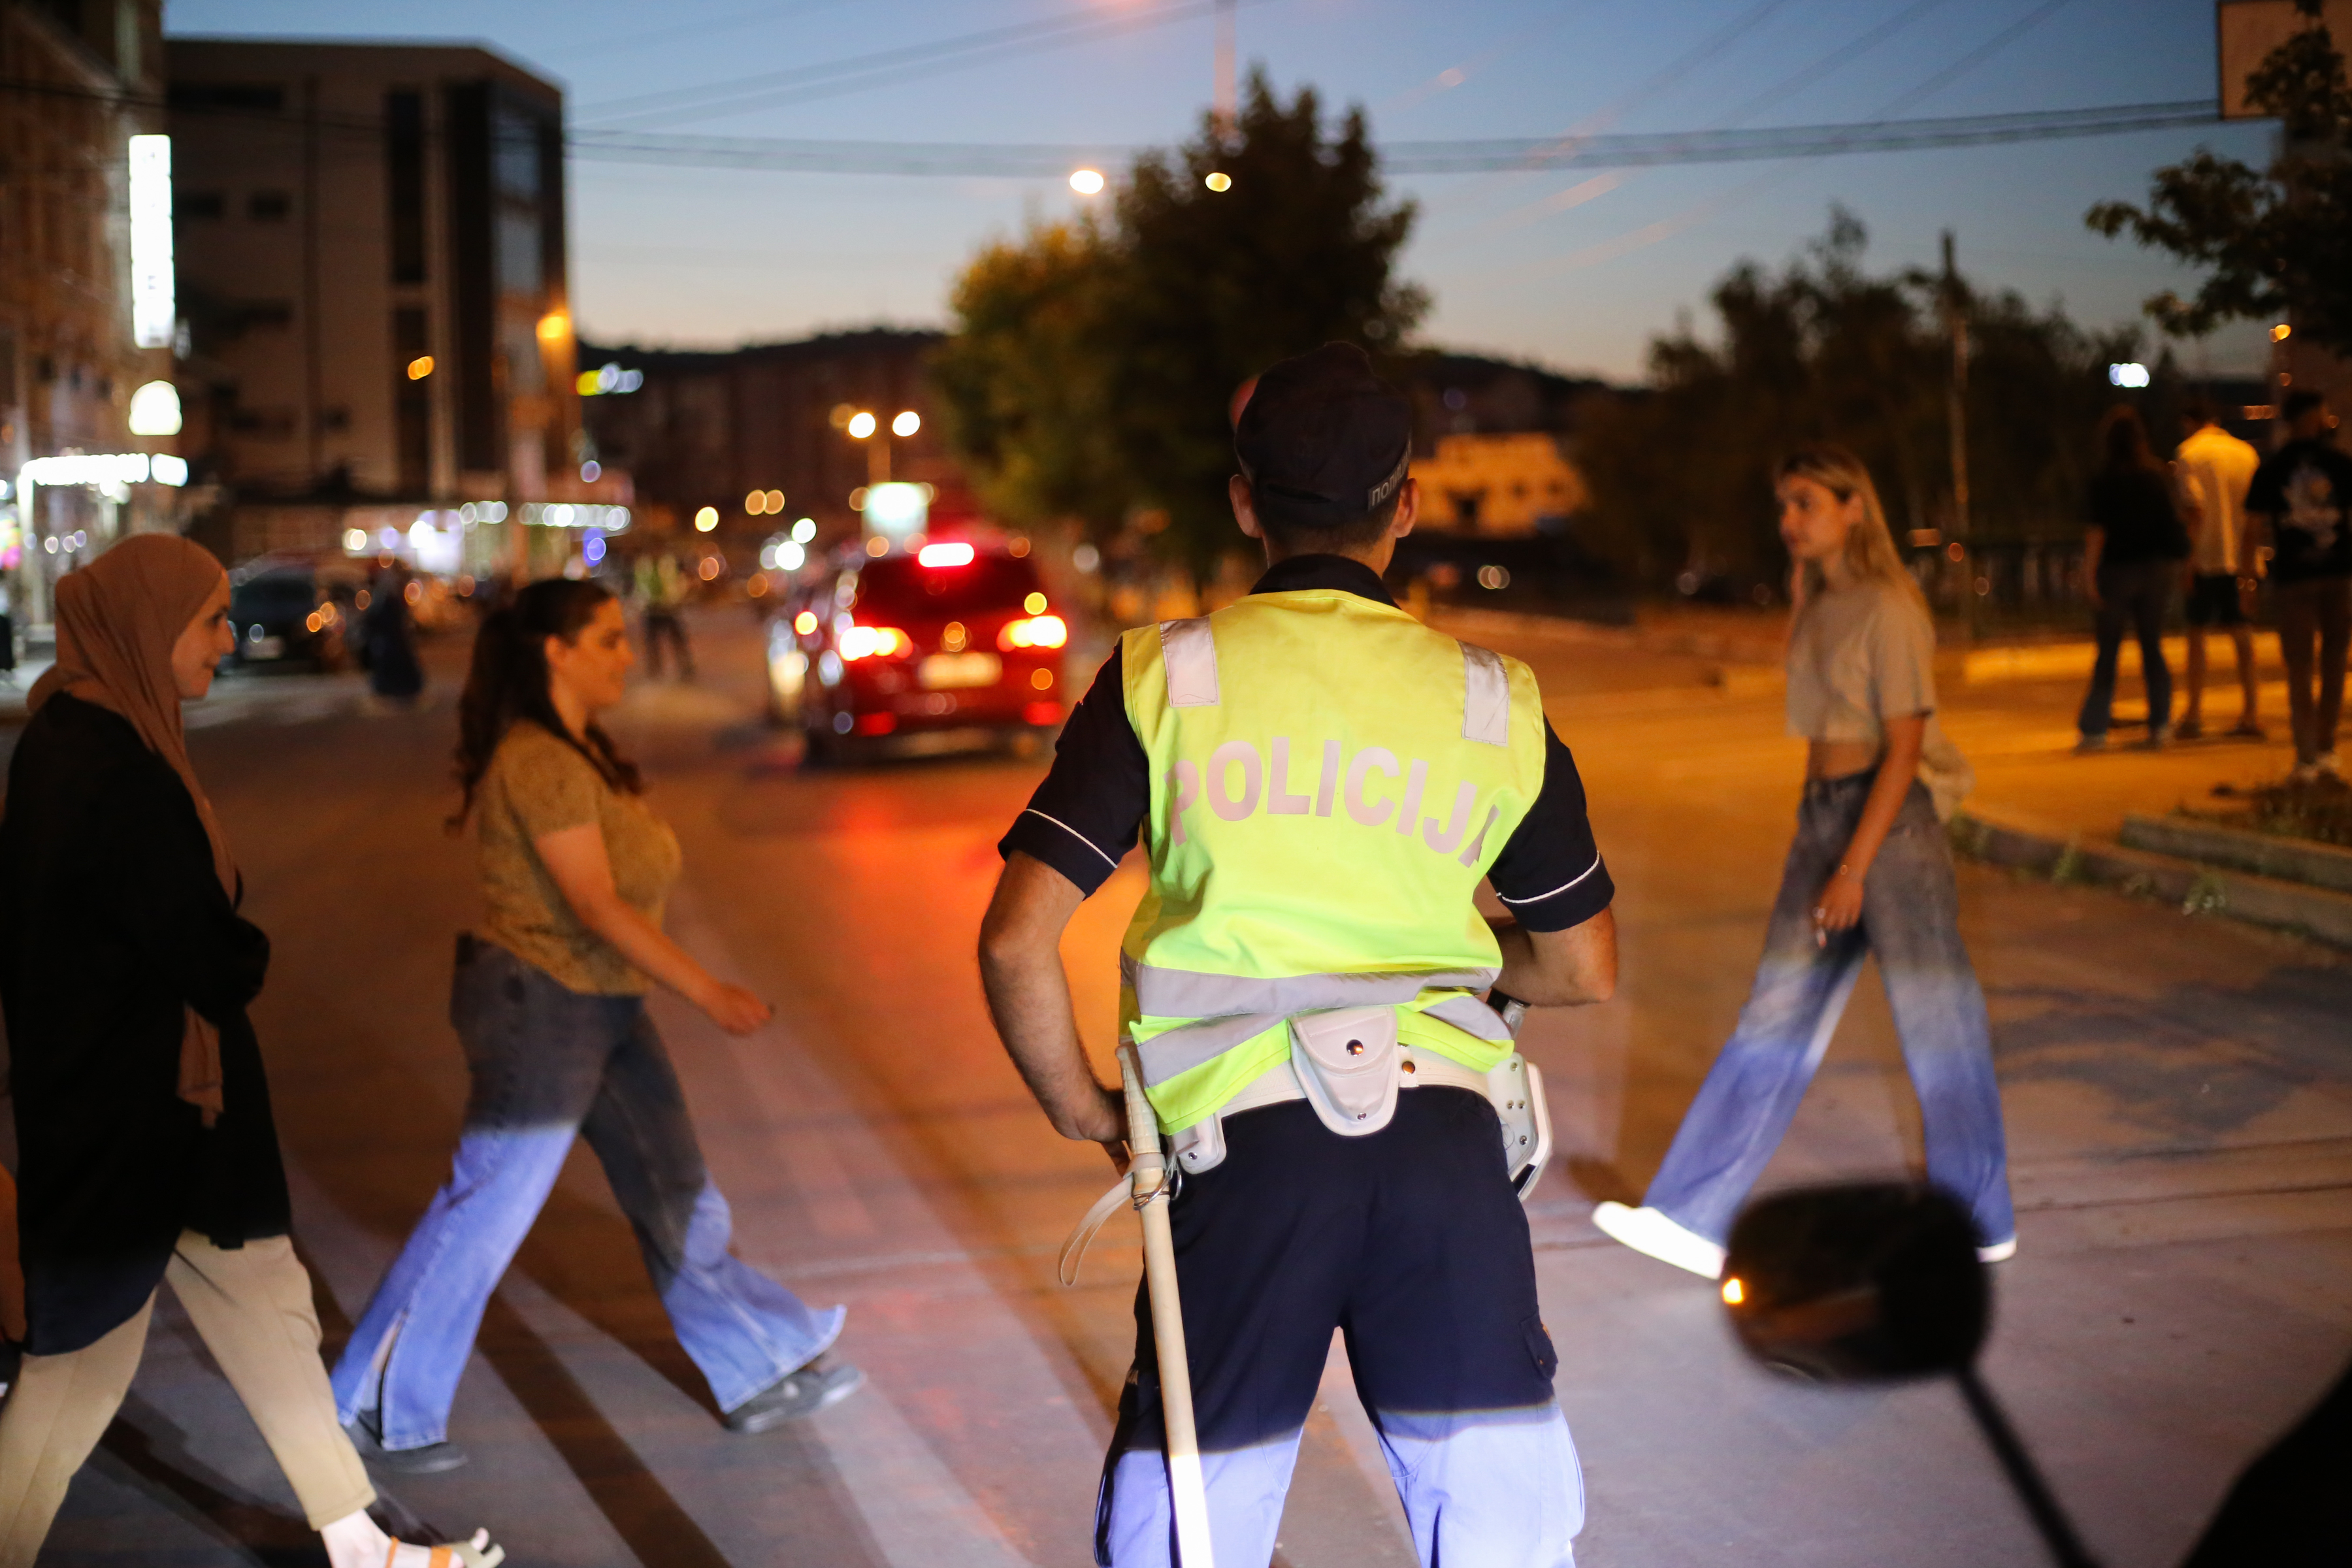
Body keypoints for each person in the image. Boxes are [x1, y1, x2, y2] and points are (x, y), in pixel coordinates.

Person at [978, 344, 1618, 1567]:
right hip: (1446, 1163)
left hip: (1241, 1163)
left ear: (1243, 502)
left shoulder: (1167, 679)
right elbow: (1582, 965)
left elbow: (1016, 941)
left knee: (1194, 1528)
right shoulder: (1493, 699)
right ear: (1410, 504)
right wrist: (1468, 965)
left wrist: (1087, 1109)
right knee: (1502, 1527)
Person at [0, 535, 500, 1568]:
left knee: (268, 1307)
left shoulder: (69, 737)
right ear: (149, 629)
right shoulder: (112, 766)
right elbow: (203, 949)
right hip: (138, 1114)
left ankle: (360, 1543)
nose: (228, 642)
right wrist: (243, 938)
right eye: (210, 621)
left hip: (160, 1104)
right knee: (81, 1365)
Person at [329, 577, 859, 1470]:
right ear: (556, 652)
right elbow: (593, 901)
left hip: (601, 1003)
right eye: (609, 639)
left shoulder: (579, 751)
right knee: (487, 1207)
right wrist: (709, 991)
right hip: (543, 1006)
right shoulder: (537, 759)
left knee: (675, 1189)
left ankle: (759, 1365)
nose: (627, 652)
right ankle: (372, 1402)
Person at [1593, 444, 2015, 1279]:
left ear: (1855, 508)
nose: (1789, 521)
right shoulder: (1823, 603)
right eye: (1784, 506)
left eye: (1806, 504)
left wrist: (1854, 866)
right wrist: (1827, 843)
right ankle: (1692, 1216)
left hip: (1887, 830)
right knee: (1773, 1017)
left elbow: (1904, 748)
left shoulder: (1890, 606)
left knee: (1939, 1024)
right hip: (1826, 820)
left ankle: (1980, 1216)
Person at [2246, 388, 2352, 783]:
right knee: (2334, 661)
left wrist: (2247, 578)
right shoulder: (2339, 464)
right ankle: (2324, 747)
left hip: (2294, 578)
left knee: (2300, 664)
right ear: (2313, 416)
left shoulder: (2273, 468)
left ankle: (2307, 752)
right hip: (2336, 573)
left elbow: (2252, 527)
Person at [2076, 405, 2192, 752]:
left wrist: (2089, 574)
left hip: (2117, 570)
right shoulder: (2156, 477)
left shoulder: (2103, 480)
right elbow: (2172, 522)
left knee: (2108, 650)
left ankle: (2095, 730)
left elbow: (2097, 533)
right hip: (2156, 569)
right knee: (2152, 646)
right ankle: (2160, 724)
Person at [2173, 399, 2264, 741]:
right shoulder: (2246, 454)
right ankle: (2251, 713)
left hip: (2206, 557)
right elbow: (2256, 515)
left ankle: (2194, 713)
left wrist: (2187, 560)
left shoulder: (2189, 453)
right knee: (2243, 635)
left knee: (2197, 635)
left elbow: (2194, 511)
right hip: (2241, 557)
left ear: (2189, 421)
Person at [364, 561, 426, 702]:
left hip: (391, 641)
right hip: (391, 640)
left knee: (394, 665)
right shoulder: (386, 598)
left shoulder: (387, 599)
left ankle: (398, 688)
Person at [636, 553, 695, 680]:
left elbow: (681, 579)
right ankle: (655, 671)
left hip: (669, 607)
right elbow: (640, 585)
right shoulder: (643, 564)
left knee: (678, 640)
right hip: (652, 608)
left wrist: (677, 597)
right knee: (653, 644)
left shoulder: (670, 562)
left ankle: (686, 669)